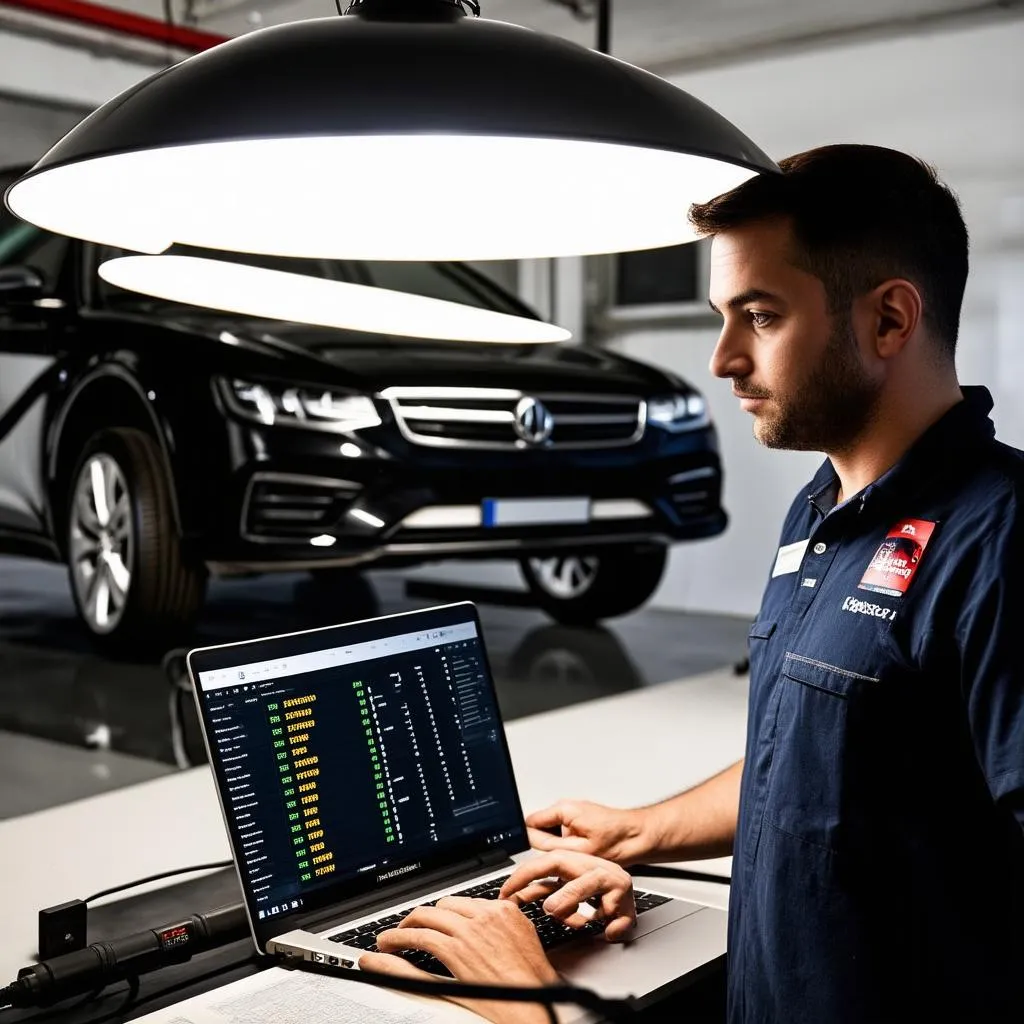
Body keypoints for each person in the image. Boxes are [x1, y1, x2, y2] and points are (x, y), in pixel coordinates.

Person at [360, 145, 1024, 1023]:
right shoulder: (822, 513)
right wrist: (637, 833)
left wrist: (532, 1004)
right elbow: (839, 750)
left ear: (891, 321)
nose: (721, 359)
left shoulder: (1002, 539)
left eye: (760, 315)